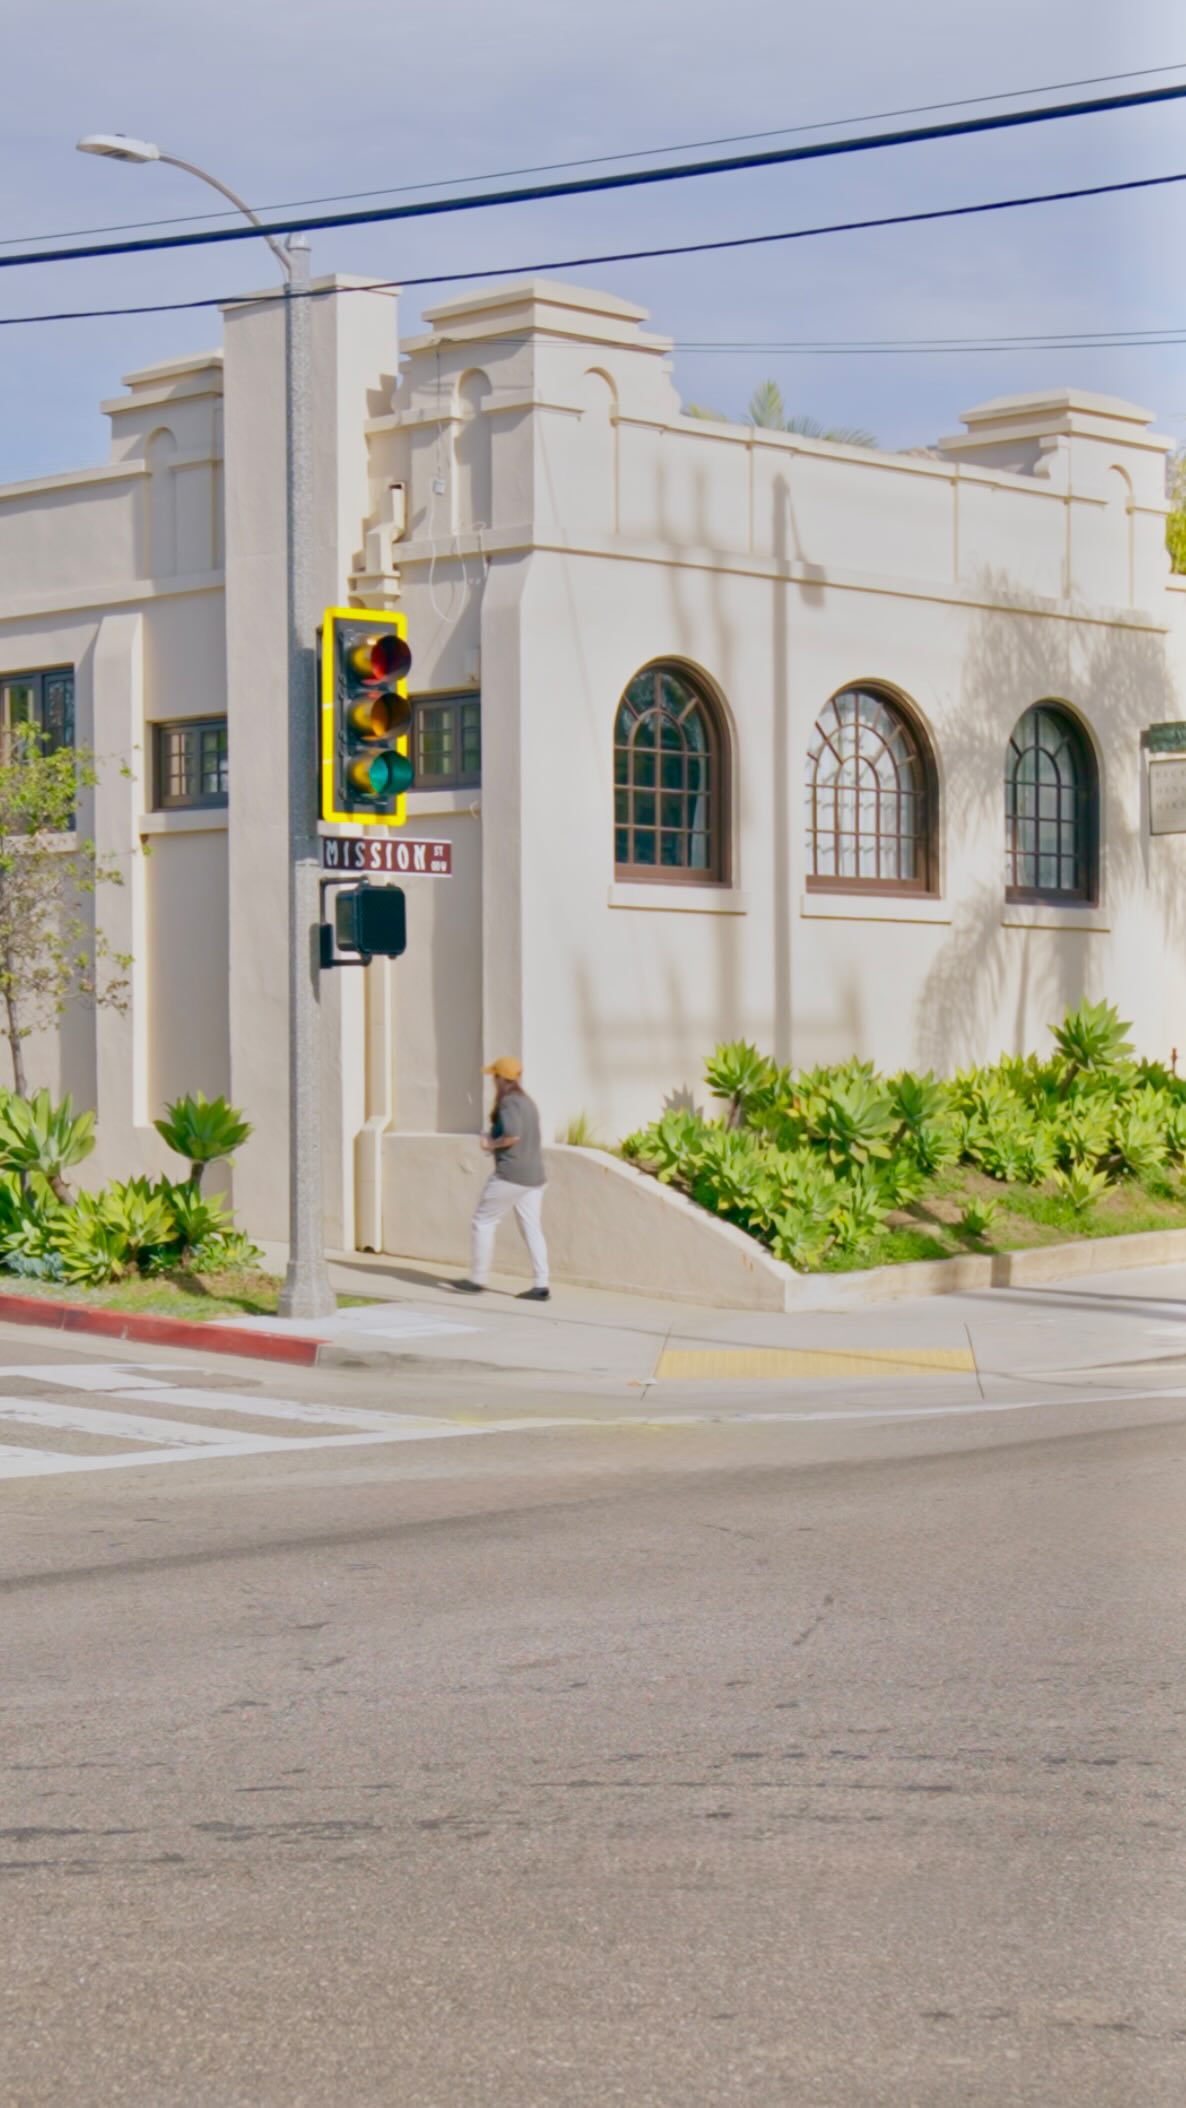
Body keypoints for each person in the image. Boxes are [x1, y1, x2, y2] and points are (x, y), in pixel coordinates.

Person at [455, 1057, 550, 1300]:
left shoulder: (509, 1103)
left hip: (511, 1175)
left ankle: (478, 1279)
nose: (493, 1082)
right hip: (535, 1178)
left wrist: (489, 1143)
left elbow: (512, 1136)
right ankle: (541, 1284)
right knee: (532, 1228)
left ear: (500, 1079)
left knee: (483, 1222)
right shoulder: (528, 1102)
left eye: (494, 1077)